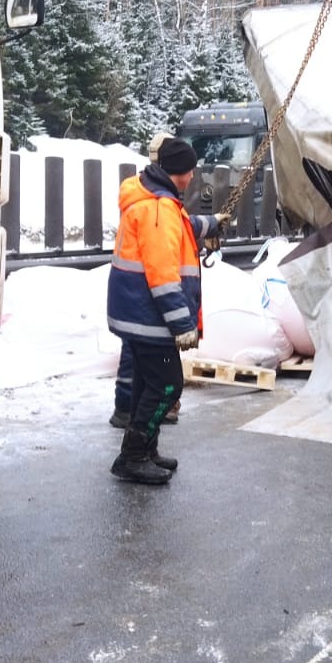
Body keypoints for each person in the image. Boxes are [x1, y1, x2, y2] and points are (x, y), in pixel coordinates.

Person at [106, 137, 221, 484]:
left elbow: (182, 228)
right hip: (150, 317)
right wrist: (182, 324)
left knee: (146, 383)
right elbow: (162, 274)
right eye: (188, 172)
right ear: (177, 173)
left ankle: (145, 450)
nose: (190, 179)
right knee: (168, 386)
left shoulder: (152, 200)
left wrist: (213, 222)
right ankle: (133, 455)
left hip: (137, 313)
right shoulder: (158, 209)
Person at [111, 131, 173, 427]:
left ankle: (125, 407)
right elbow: (159, 251)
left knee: (131, 350)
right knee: (142, 354)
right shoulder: (154, 201)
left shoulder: (138, 190)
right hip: (142, 289)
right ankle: (130, 412)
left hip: (129, 288)